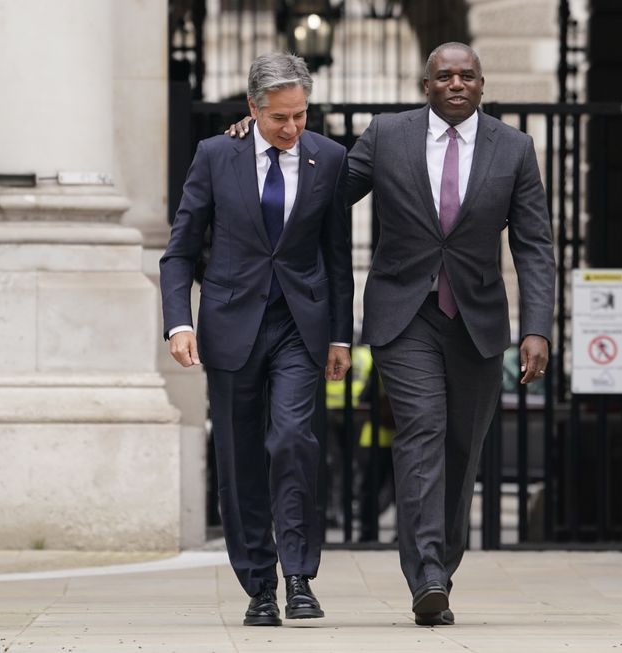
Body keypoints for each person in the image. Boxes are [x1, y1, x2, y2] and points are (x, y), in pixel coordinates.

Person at [228, 42, 554, 627]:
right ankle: (426, 574)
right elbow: (322, 191)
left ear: (482, 85)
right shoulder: (388, 135)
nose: (456, 83)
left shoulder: (515, 148)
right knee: (422, 432)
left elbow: (534, 244)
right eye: (444, 75)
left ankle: (441, 563)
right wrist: (259, 139)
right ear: (425, 84)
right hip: (404, 315)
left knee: (462, 446)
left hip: (478, 321)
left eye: (467, 76)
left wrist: (537, 328)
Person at [160, 52, 353, 627]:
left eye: (300, 116)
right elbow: (180, 248)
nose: (292, 129)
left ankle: (298, 576)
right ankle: (258, 586)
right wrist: (179, 321)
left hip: (301, 325)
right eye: (279, 119)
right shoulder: (216, 155)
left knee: (293, 439)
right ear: (252, 109)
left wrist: (341, 336)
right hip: (231, 324)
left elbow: (338, 257)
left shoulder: (331, 159)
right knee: (239, 456)